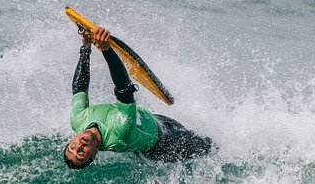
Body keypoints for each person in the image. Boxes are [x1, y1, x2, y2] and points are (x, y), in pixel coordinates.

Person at [64, 28, 213, 169]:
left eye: (72, 147)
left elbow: (80, 89)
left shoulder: (78, 119)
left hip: (155, 121)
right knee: (211, 147)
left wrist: (86, 47)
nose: (79, 147)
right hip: (164, 144)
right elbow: (124, 90)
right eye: (81, 154)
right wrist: (106, 49)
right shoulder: (118, 132)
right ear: (94, 155)